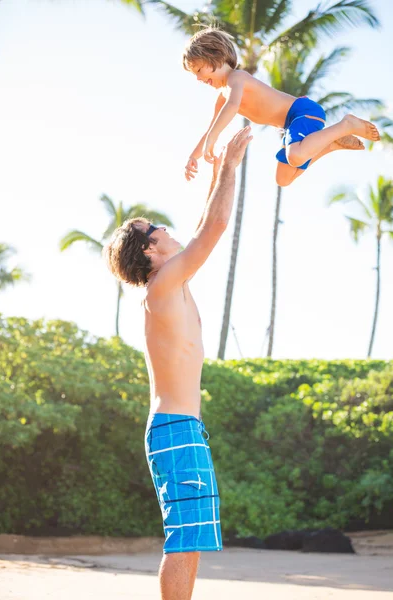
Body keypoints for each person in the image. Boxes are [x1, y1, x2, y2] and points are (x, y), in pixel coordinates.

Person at [103, 126, 252, 600]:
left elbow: (204, 225)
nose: (165, 229)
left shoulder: (171, 280)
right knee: (186, 539)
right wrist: (227, 166)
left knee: (191, 539)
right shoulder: (163, 287)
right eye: (155, 229)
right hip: (175, 429)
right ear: (148, 250)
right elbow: (214, 230)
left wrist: (216, 175)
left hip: (181, 428)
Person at [183, 27, 380, 188]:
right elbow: (211, 127)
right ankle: (332, 143)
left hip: (302, 111)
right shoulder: (221, 97)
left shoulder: (237, 78)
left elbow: (233, 106)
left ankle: (346, 124)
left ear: (215, 56)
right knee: (283, 179)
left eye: (199, 70)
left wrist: (213, 138)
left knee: (294, 155)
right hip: (290, 125)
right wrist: (194, 156)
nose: (199, 79)